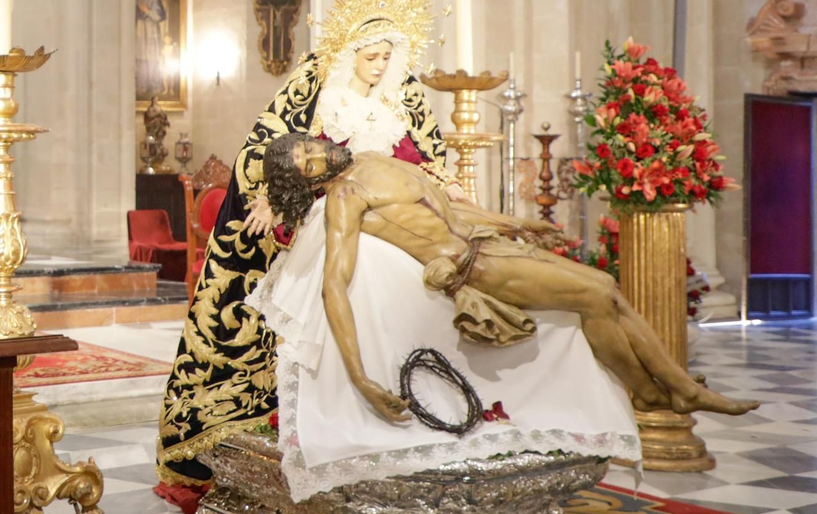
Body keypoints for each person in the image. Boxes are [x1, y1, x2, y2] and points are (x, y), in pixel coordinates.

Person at [157, 0, 455, 493]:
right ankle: (330, 415)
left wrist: (442, 183)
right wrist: (278, 199)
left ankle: (423, 404)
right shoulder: (316, 94)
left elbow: (427, 160)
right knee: (348, 282)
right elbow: (277, 155)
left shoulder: (403, 100)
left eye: (387, 57)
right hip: (335, 211)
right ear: (349, 55)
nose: (380, 66)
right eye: (370, 56)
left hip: (393, 209)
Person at [262, 134, 757, 425]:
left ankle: (656, 391)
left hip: (487, 242)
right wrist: (360, 377)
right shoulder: (345, 199)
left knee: (605, 291)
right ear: (308, 181)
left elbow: (449, 208)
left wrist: (516, 223)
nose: (320, 155)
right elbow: (334, 284)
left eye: (311, 147)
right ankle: (670, 390)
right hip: (476, 268)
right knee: (598, 293)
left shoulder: (372, 159)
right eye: (309, 163)